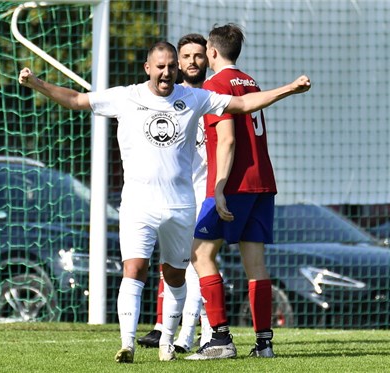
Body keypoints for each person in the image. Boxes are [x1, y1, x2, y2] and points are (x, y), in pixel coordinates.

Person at [18, 41, 310, 363]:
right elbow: (75, 99)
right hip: (138, 204)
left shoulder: (193, 97)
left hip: (180, 206)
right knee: (135, 268)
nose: (167, 72)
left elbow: (241, 105)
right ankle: (126, 344)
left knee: (174, 275)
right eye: (161, 66)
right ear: (148, 68)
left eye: (172, 66)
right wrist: (36, 83)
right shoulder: (126, 97)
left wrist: (289, 90)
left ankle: (167, 343)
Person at [186, 23, 280, 360]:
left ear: (212, 52)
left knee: (200, 254)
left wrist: (219, 188)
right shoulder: (249, 81)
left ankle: (221, 339)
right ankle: (264, 344)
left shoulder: (215, 85)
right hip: (262, 183)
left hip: (235, 183)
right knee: (256, 264)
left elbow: (226, 139)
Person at [137, 33, 212, 353]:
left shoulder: (212, 96)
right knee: (175, 263)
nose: (192, 62)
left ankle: (198, 330)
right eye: (186, 57)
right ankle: (170, 326)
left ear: (208, 58)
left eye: (198, 56)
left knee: (200, 260)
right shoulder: (165, 99)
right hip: (176, 194)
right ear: (177, 62)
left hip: (206, 192)